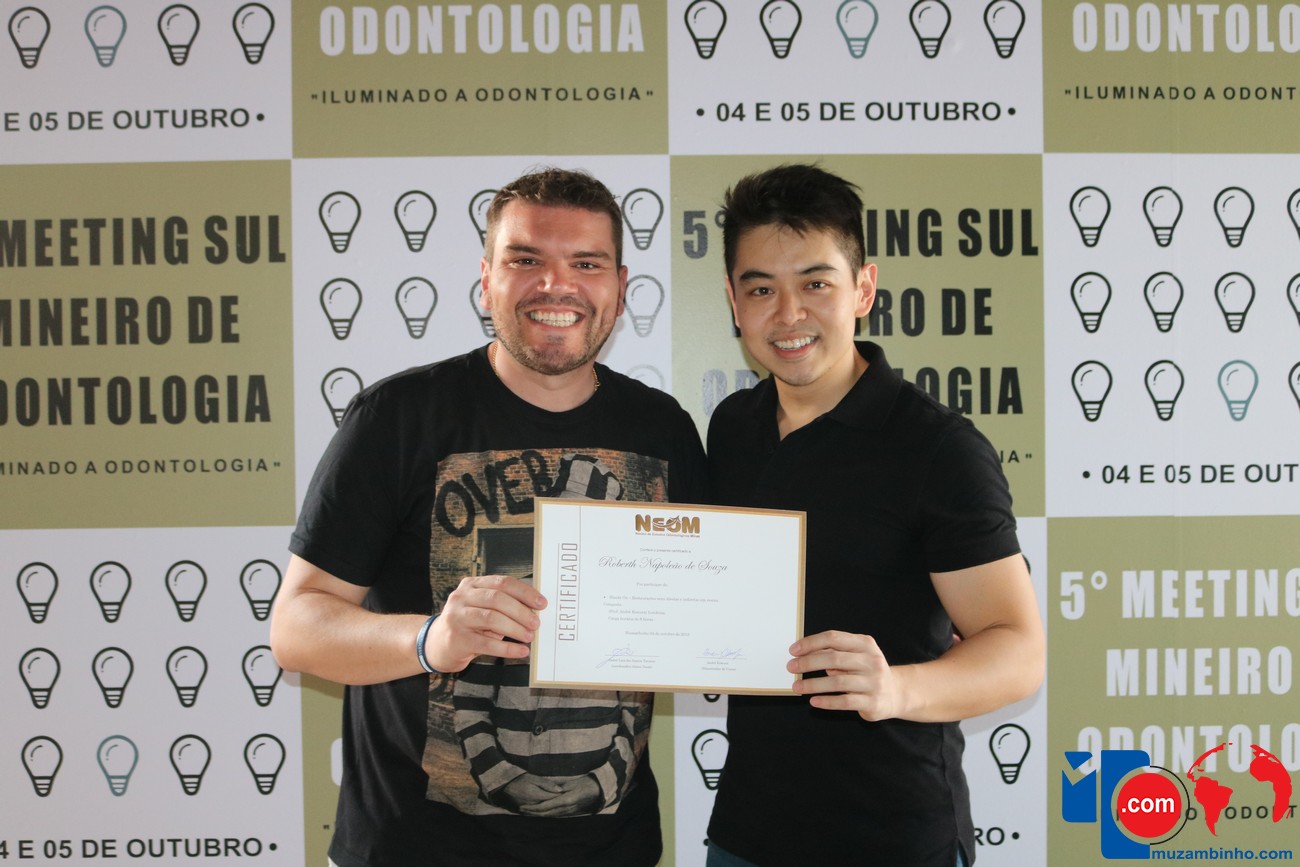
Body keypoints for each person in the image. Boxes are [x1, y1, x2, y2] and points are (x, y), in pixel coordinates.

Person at [271, 167, 707, 867]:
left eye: (586, 264)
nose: (556, 285)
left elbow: (702, 608)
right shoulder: (397, 418)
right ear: (486, 279)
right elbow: (295, 628)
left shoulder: (663, 430)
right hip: (413, 853)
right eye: (525, 259)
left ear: (621, 287)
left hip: (608, 850)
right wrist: (429, 640)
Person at [704, 164, 1045, 866]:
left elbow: (1019, 652)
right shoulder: (733, 426)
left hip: (894, 838)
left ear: (864, 289)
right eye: (761, 288)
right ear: (733, 302)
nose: (788, 314)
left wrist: (896, 686)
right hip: (746, 835)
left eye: (816, 284)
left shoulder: (937, 447)